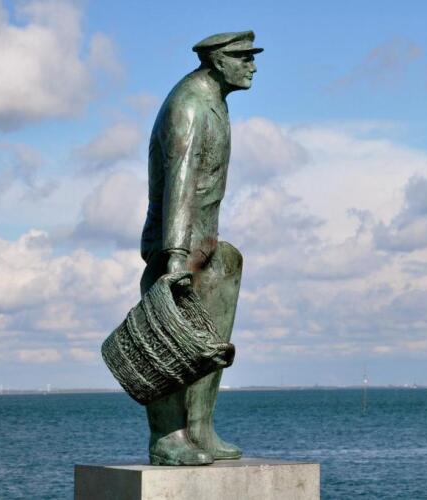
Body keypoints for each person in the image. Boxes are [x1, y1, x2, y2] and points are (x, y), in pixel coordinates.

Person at [139, 31, 262, 466]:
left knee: (209, 339)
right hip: (178, 245)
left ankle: (200, 427)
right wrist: (174, 258)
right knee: (171, 342)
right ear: (217, 61)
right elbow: (181, 181)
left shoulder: (216, 101)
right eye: (243, 57)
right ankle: (168, 436)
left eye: (252, 56)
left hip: (205, 241)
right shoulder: (189, 105)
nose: (252, 65)